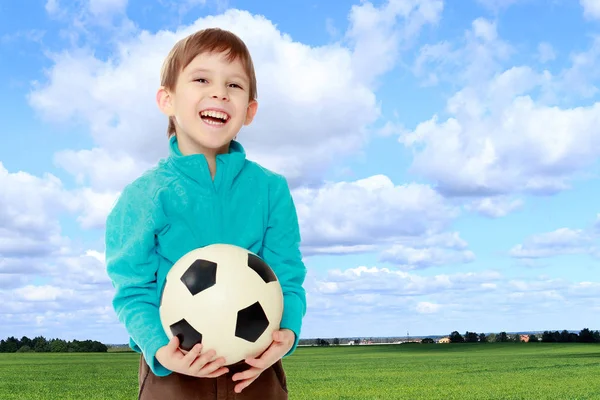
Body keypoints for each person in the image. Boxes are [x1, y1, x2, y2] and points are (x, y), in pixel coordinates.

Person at [104, 27, 307, 400]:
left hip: (255, 366)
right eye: (201, 79)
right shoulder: (142, 196)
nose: (219, 93)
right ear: (167, 99)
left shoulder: (270, 189)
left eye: (234, 85)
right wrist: (159, 349)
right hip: (173, 369)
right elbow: (131, 289)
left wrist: (288, 332)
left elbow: (288, 276)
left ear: (249, 111)